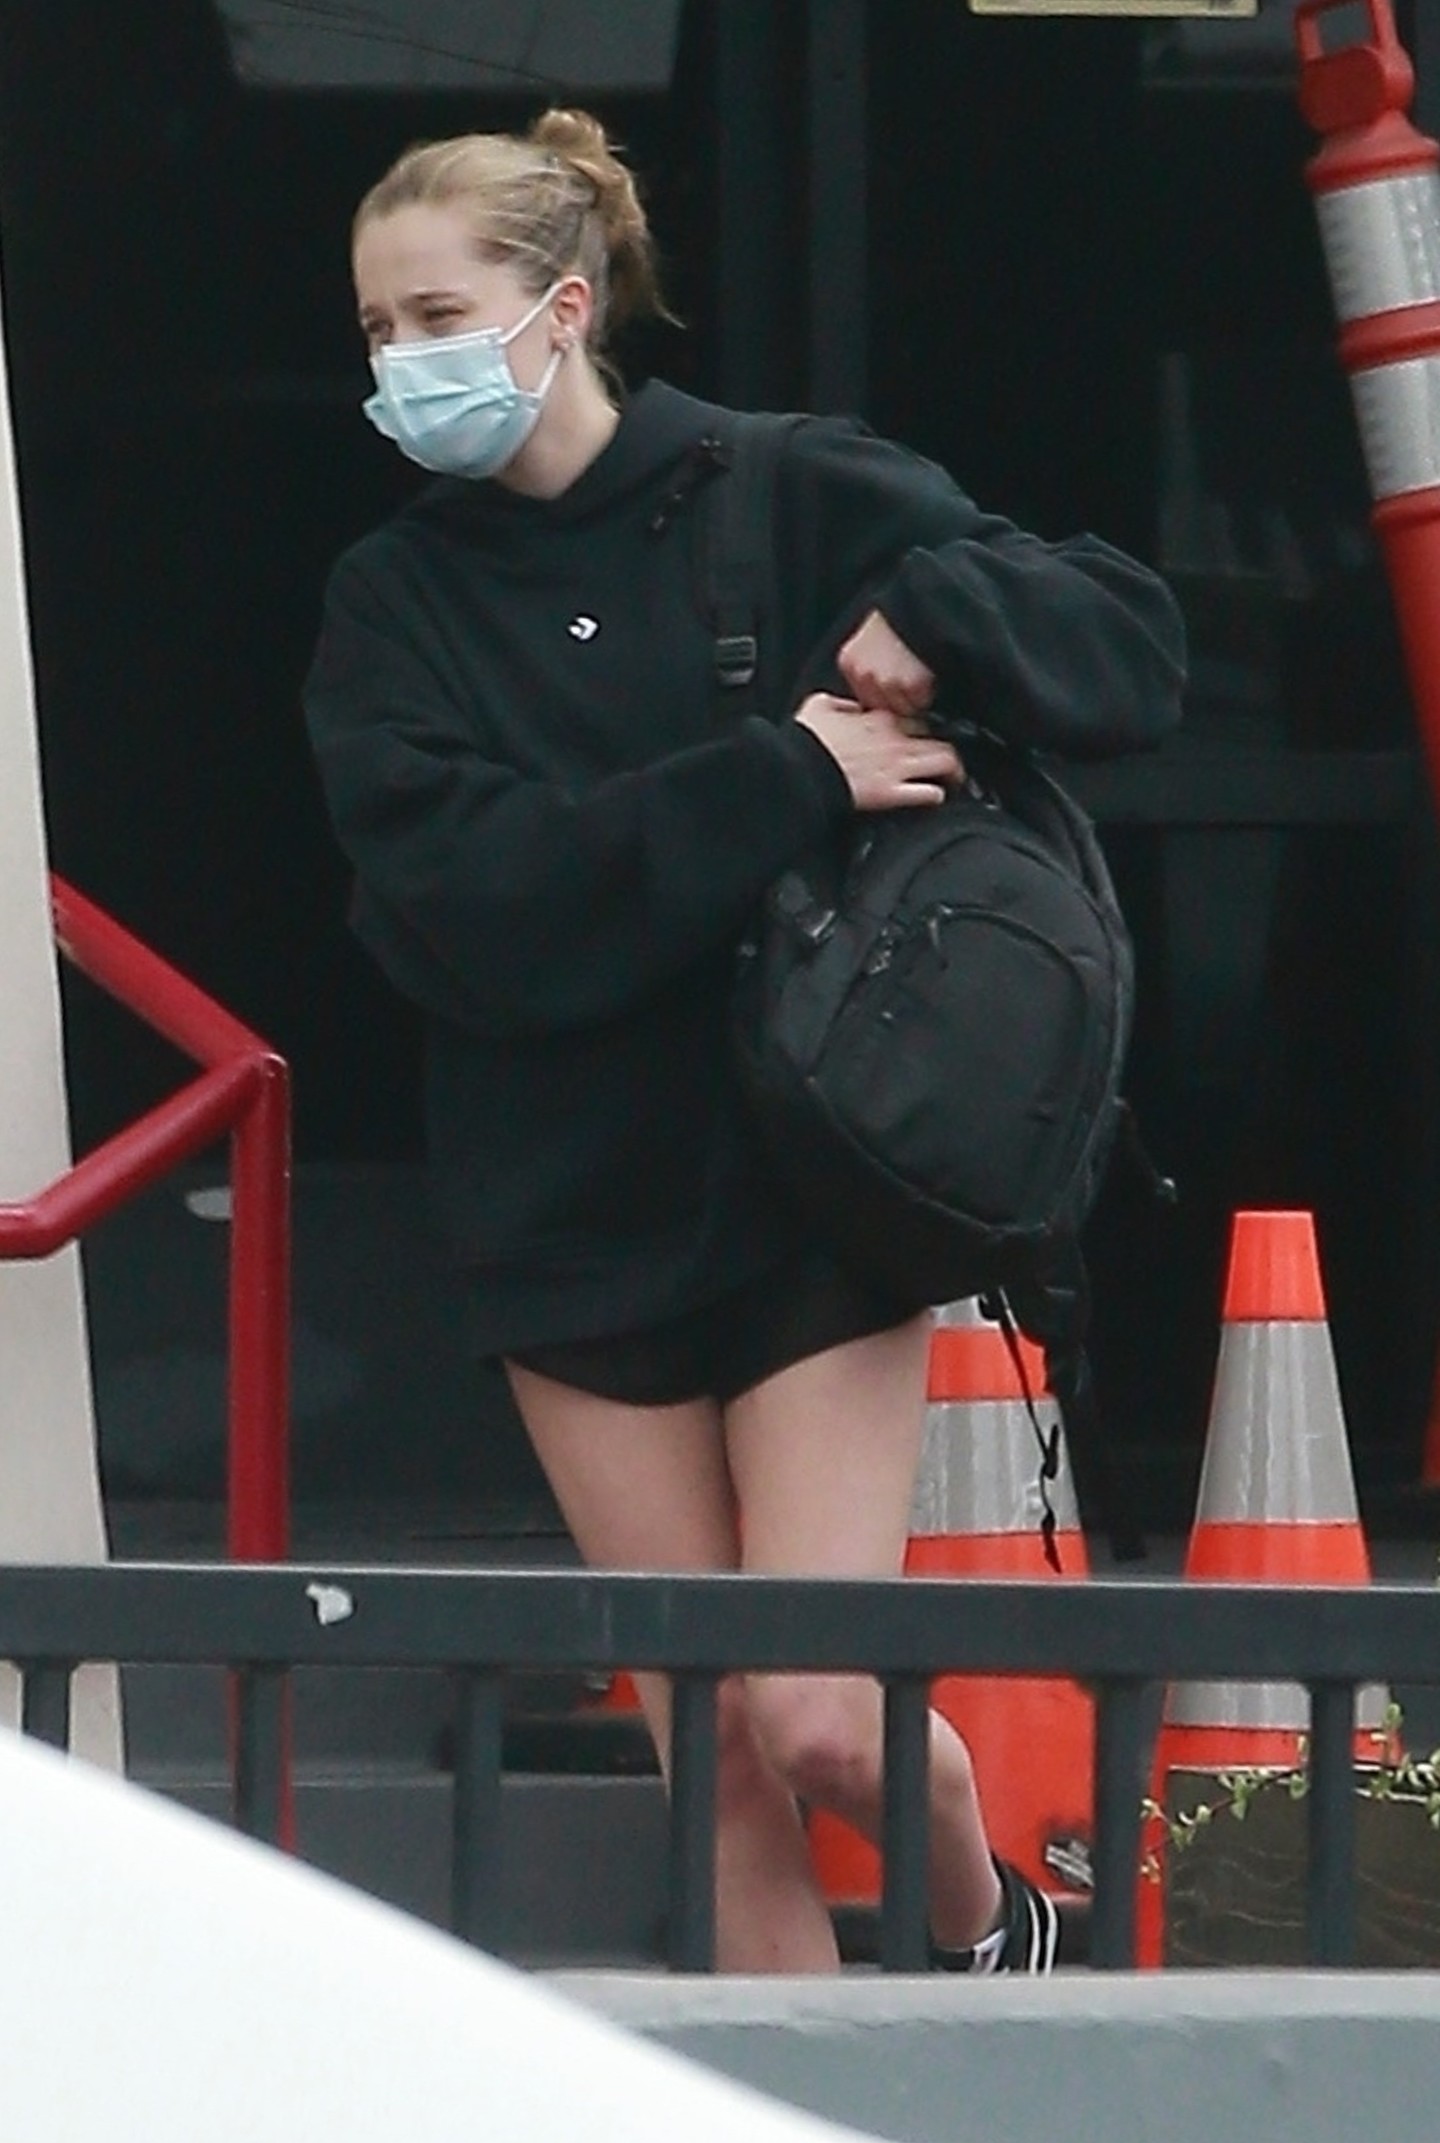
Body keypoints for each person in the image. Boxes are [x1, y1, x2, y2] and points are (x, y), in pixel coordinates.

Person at [304, 107, 1186, 1975]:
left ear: (561, 309)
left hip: (811, 1199)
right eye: (377, 330)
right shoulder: (395, 602)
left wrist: (936, 614)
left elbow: (1127, 641)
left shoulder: (780, 490)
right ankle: (800, 2098)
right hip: (564, 1215)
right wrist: (786, 773)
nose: (402, 362)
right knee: (708, 1747)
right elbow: (478, 894)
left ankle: (994, 1948)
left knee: (815, 1713)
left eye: (436, 315)